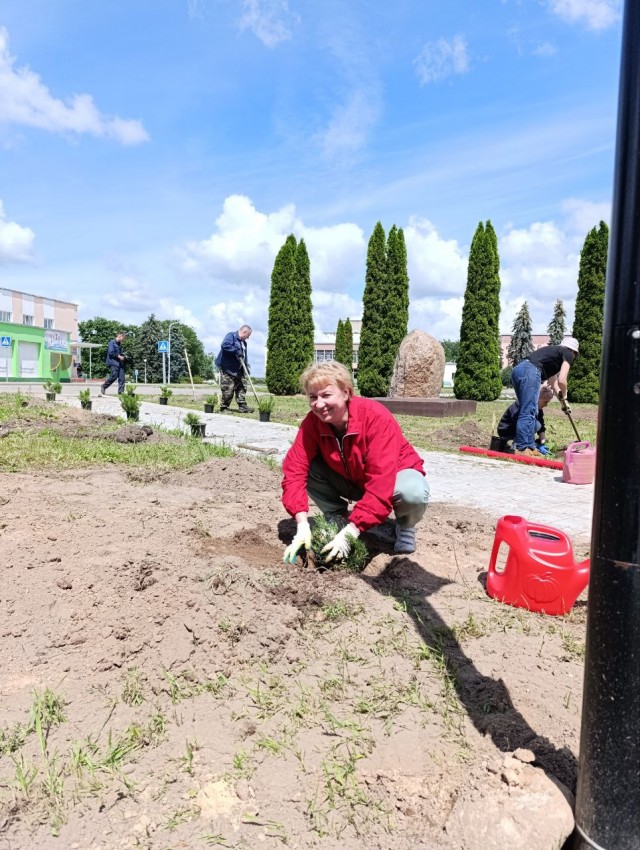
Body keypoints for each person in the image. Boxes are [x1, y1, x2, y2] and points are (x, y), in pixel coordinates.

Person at [281, 361, 430, 564]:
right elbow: (294, 470)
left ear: (346, 392)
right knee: (307, 466)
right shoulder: (312, 424)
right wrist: (301, 524)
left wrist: (352, 531)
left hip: (391, 478)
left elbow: (380, 483)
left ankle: (405, 525)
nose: (318, 404)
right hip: (348, 477)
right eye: (313, 397)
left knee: (412, 492)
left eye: (326, 395)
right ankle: (336, 515)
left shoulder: (376, 418)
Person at [510, 336, 579, 456]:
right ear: (573, 352)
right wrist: (566, 394)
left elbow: (554, 383)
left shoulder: (552, 357)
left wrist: (563, 402)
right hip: (530, 371)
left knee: (527, 410)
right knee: (529, 411)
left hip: (519, 370)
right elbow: (562, 380)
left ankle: (528, 446)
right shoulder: (567, 353)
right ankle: (522, 449)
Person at [497, 383, 554, 454]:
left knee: (537, 424)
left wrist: (542, 443)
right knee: (532, 423)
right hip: (506, 430)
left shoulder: (538, 408)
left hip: (518, 429)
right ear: (537, 397)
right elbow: (521, 425)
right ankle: (515, 448)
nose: (546, 405)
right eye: (545, 402)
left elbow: (541, 426)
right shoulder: (521, 405)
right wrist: (532, 445)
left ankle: (523, 445)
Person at [215, 325, 254, 413]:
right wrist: (236, 350)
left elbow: (243, 356)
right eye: (248, 335)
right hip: (228, 368)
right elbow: (225, 345)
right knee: (228, 388)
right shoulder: (231, 336)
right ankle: (224, 407)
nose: (248, 338)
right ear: (244, 332)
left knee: (242, 386)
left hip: (239, 368)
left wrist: (246, 367)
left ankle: (242, 406)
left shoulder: (244, 343)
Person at [100, 332, 127, 396]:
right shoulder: (112, 342)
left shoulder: (119, 344)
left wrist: (123, 356)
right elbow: (111, 352)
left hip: (120, 363)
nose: (124, 340)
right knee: (114, 376)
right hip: (113, 362)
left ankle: (121, 392)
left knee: (122, 378)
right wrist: (119, 356)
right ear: (120, 336)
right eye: (123, 338)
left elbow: (120, 353)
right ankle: (104, 386)